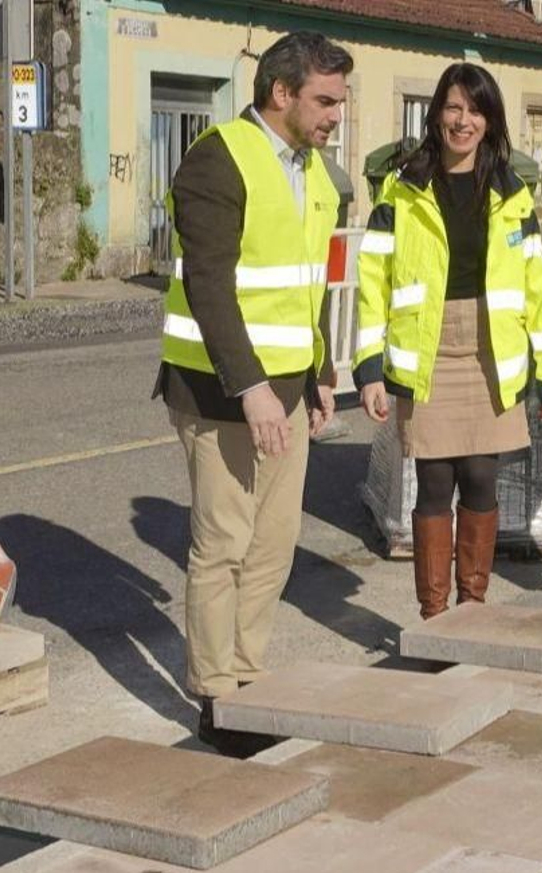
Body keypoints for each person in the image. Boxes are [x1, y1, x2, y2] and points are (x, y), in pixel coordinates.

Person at [155, 31, 351, 756]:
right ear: (281, 93)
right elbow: (210, 284)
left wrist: (322, 370)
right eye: (325, 100)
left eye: (339, 101)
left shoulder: (317, 170)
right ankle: (216, 694)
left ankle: (249, 673)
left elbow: (312, 286)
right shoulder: (217, 160)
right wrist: (253, 388)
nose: (336, 115)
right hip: (218, 389)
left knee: (274, 542)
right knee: (224, 543)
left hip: (290, 385)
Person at [353, 63, 542, 619]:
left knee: (479, 476)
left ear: (490, 121)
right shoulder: (402, 190)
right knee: (433, 481)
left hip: (490, 348)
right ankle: (433, 613)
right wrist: (370, 366)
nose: (463, 120)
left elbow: (536, 287)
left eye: (475, 110)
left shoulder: (510, 193)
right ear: (436, 115)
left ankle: (471, 607)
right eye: (453, 108)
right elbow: (372, 282)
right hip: (428, 349)